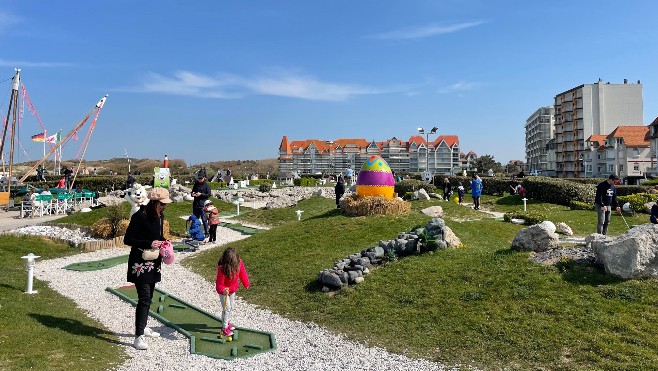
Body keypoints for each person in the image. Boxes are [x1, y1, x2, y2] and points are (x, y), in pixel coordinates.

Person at [124, 187, 172, 350]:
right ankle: (138, 337)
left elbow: (157, 236)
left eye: (165, 204)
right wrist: (149, 243)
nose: (164, 207)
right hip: (140, 261)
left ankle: (143, 327)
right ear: (154, 202)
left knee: (149, 296)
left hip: (154, 261)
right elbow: (128, 239)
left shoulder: (160, 215)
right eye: (162, 204)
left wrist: (164, 242)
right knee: (144, 298)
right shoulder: (140, 216)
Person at [215, 247, 250, 337]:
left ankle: (227, 322)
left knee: (231, 307)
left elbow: (243, 273)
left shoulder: (239, 263)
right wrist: (223, 290)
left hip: (232, 290)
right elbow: (219, 283)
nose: (235, 266)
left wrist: (246, 283)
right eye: (233, 264)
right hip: (224, 292)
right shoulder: (222, 268)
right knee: (227, 309)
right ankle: (224, 328)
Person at [191, 171, 211, 236]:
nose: (199, 180)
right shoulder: (196, 184)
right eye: (199, 178)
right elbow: (192, 192)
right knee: (195, 220)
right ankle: (195, 232)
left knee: (204, 219)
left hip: (203, 205)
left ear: (204, 178)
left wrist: (201, 194)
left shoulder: (206, 185)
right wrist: (193, 194)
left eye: (201, 178)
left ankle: (207, 232)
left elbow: (208, 194)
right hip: (196, 205)